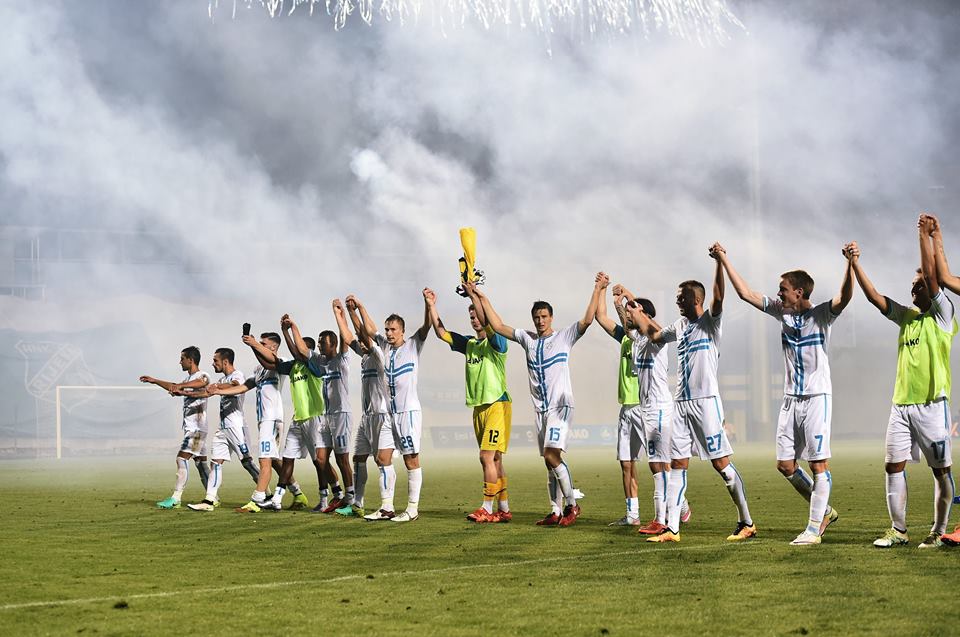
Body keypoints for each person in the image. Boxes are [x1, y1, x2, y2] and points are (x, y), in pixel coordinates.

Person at [714, 242, 853, 545]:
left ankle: (813, 529)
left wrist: (850, 264)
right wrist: (724, 259)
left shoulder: (821, 315)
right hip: (790, 400)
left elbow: (845, 298)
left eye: (783, 289)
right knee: (786, 466)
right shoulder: (782, 313)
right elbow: (746, 294)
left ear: (799, 293)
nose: (779, 294)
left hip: (816, 398)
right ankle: (825, 511)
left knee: (818, 465)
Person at [632, 249, 755, 543]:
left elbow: (719, 296)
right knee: (678, 464)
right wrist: (634, 310)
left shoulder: (710, 322)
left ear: (696, 300)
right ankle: (672, 528)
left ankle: (746, 520)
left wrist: (719, 263)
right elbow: (654, 334)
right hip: (681, 405)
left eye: (681, 297)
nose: (677, 301)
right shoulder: (680, 326)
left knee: (721, 466)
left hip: (706, 404)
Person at [850, 214, 956, 548]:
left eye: (919, 284)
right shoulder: (907, 318)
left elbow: (935, 275)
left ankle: (939, 531)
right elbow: (874, 297)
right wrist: (854, 264)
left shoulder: (943, 316)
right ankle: (898, 530)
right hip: (900, 407)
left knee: (940, 472)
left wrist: (923, 236)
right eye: (912, 284)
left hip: (932, 407)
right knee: (892, 466)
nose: (913, 287)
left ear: (932, 289)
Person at [478, 274, 603, 527]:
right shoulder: (528, 339)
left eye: (544, 317)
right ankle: (555, 511)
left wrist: (598, 289)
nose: (540, 321)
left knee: (550, 455)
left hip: (560, 406)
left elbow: (588, 320)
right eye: (536, 317)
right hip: (541, 410)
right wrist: (480, 296)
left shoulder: (564, 337)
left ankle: (571, 505)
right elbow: (499, 325)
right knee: (549, 464)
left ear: (551, 318)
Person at [425, 283, 513, 524]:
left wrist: (475, 295)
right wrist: (432, 305)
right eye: (471, 317)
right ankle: (503, 508)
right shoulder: (469, 344)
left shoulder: (497, 344)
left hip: (497, 403)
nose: (475, 320)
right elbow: (441, 333)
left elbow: (489, 323)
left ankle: (486, 507)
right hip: (479, 407)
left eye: (477, 315)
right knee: (495, 460)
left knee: (486, 457)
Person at [612, 283, 691, 534]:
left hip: (659, 408)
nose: (630, 314)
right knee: (657, 464)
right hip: (647, 408)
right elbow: (628, 321)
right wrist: (619, 302)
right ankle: (678, 510)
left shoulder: (656, 339)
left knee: (659, 464)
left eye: (634, 311)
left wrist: (632, 301)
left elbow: (650, 325)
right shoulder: (635, 340)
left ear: (644, 315)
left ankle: (663, 518)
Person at [207, 332, 310, 512]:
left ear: (273, 347)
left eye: (264, 343)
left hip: (272, 418)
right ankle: (297, 493)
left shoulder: (280, 362)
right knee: (273, 459)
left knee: (264, 460)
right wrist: (218, 391)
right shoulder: (259, 369)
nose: (259, 344)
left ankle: (257, 500)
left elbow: (270, 359)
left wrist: (254, 344)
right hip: (264, 419)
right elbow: (244, 387)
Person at [353, 293, 431, 523]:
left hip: (408, 413)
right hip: (391, 414)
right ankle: (386, 507)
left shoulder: (413, 345)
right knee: (383, 458)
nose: (389, 333)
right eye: (387, 329)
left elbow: (427, 327)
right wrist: (358, 307)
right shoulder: (384, 349)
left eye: (393, 329)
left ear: (402, 331)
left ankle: (412, 508)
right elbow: (367, 331)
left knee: (411, 460)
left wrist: (428, 305)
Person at [182, 348, 259, 511]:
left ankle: (265, 494)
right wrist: (182, 393)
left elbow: (236, 385)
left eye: (215, 360)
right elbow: (206, 393)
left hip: (237, 427)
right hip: (223, 428)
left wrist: (217, 386)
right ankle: (209, 501)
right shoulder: (222, 378)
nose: (213, 363)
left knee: (247, 463)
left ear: (225, 361)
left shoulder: (236, 375)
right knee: (215, 462)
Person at [140, 346, 211, 509]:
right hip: (194, 428)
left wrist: (178, 387)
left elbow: (203, 383)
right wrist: (155, 380)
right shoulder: (187, 381)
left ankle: (176, 498)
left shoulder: (202, 375)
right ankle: (212, 496)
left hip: (196, 429)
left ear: (191, 360)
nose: (180, 362)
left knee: (181, 458)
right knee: (200, 463)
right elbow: (174, 385)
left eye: (182, 359)